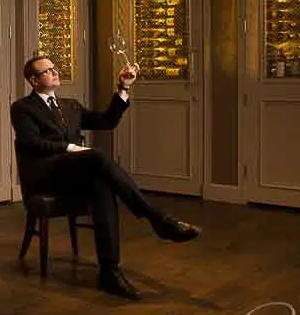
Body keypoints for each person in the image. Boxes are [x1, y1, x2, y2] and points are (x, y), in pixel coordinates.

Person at [10, 55, 201, 300]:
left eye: (55, 68)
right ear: (33, 80)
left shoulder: (70, 106)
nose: (55, 72)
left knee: (102, 185)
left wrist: (123, 88)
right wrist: (71, 148)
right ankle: (157, 218)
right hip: (45, 174)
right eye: (47, 70)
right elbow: (32, 143)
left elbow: (107, 121)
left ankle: (109, 272)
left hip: (73, 172)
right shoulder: (23, 108)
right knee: (97, 157)